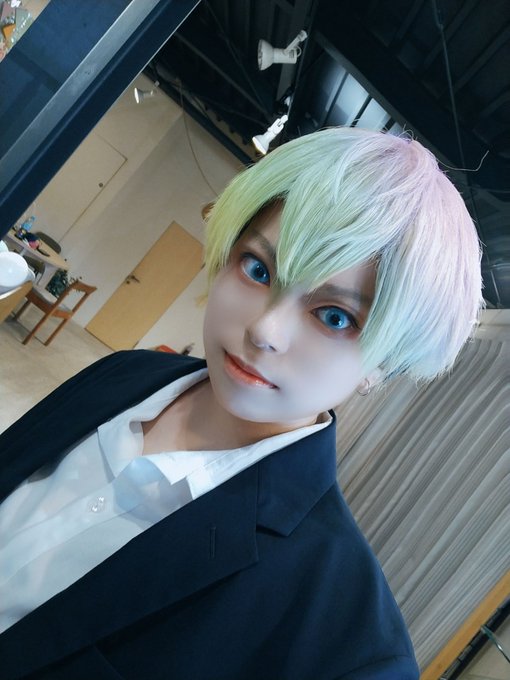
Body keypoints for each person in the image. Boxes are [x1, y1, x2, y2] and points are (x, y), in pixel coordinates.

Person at [0, 127, 482, 680]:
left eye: (335, 317)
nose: (265, 330)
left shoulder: (344, 645)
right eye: (258, 269)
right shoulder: (125, 373)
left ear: (384, 365)